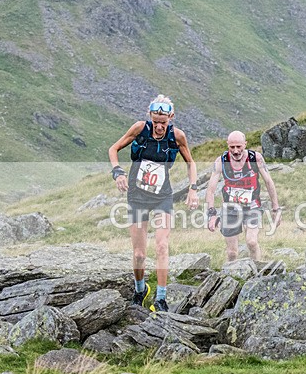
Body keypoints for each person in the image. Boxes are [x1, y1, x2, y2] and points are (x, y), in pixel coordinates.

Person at [109, 95, 199, 313]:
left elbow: (191, 163)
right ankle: (141, 290)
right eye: (156, 122)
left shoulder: (177, 136)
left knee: (161, 245)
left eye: (164, 123)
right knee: (139, 254)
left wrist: (193, 189)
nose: (159, 127)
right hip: (138, 195)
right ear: (150, 116)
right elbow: (114, 149)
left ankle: (161, 298)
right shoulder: (140, 129)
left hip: (162, 196)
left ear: (171, 117)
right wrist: (117, 172)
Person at [204, 130, 281, 262]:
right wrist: (211, 214)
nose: (235, 151)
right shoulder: (221, 162)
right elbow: (210, 190)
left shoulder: (255, 158)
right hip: (230, 209)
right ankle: (231, 277)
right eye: (232, 147)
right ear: (227, 145)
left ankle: (256, 273)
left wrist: (275, 208)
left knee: (251, 242)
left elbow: (269, 182)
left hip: (252, 207)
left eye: (239, 147)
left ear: (245, 144)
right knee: (232, 253)